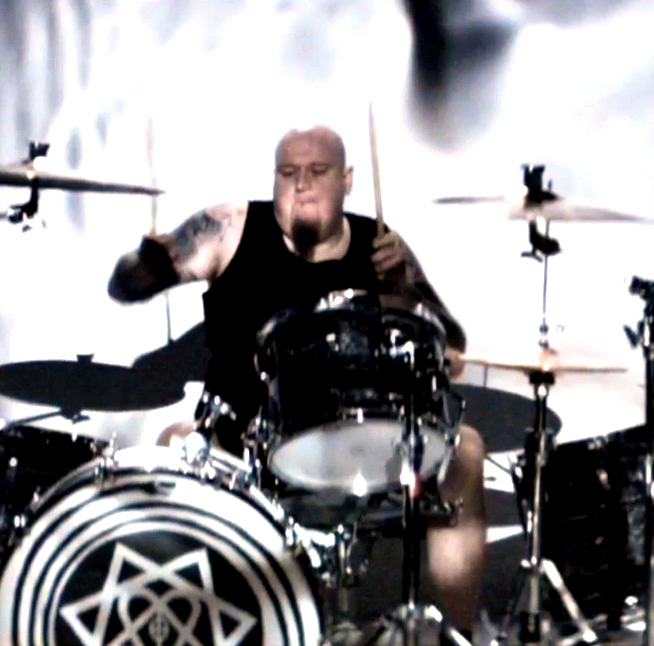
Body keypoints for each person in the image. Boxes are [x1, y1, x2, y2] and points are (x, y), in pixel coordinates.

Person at [107, 124, 486, 638]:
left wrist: (404, 288)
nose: (301, 184)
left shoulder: (379, 246)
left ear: (347, 182)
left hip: (361, 442)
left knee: (465, 451)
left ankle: (459, 637)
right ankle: (184, 631)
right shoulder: (228, 229)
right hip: (244, 443)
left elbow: (450, 344)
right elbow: (124, 285)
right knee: (174, 443)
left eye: (317, 172)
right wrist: (146, 266)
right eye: (287, 173)